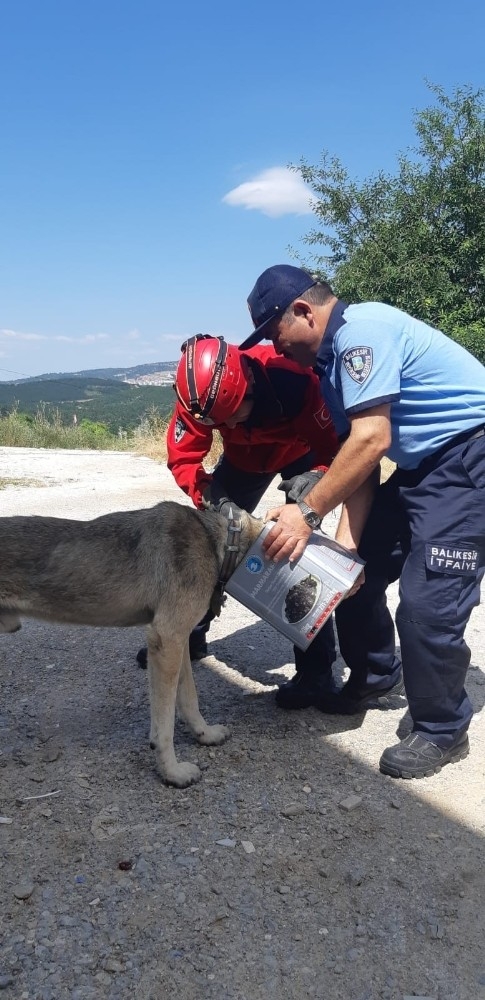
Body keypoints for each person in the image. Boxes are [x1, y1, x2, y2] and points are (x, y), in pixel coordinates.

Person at [239, 263, 485, 779]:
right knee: (351, 578)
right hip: (424, 467)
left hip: (469, 458)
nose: (274, 347)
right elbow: (364, 459)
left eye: (272, 331)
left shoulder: (362, 335)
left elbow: (371, 438)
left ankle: (441, 727)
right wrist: (347, 548)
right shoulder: (330, 368)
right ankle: (375, 674)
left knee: (426, 604)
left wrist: (307, 512)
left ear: (303, 311)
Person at [138, 333, 341, 709]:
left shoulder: (294, 378)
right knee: (206, 550)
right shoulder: (199, 397)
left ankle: (316, 675)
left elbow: (337, 448)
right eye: (220, 421)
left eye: (234, 415)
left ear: (247, 386)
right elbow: (184, 458)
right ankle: (186, 635)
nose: (227, 424)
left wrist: (317, 482)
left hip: (302, 456)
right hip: (243, 463)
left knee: (299, 560)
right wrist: (210, 496)